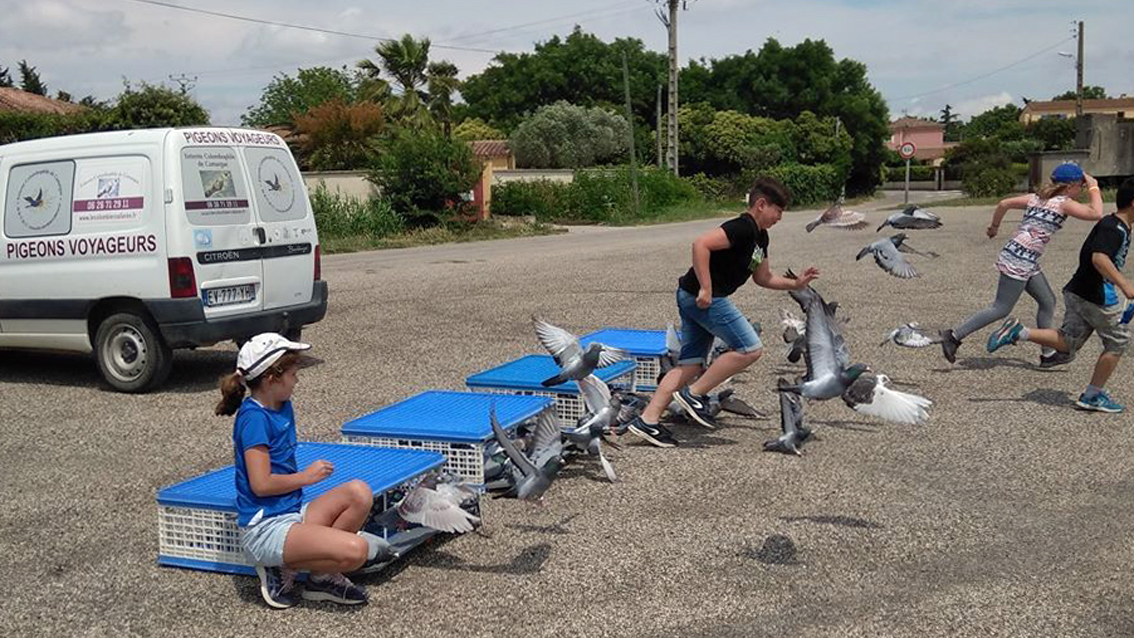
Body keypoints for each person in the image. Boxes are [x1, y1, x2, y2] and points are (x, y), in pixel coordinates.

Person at [622, 177, 820, 447]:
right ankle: (693, 395)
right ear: (761, 204)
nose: (780, 217)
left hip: (692, 297)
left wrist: (796, 284)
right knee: (750, 348)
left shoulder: (760, 237)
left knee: (690, 364)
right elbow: (701, 245)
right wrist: (706, 287)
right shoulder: (742, 227)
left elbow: (763, 277)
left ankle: (648, 420)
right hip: (705, 298)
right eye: (778, 210)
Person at [217, 333, 376, 609]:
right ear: (272, 379)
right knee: (357, 551)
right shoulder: (253, 419)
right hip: (265, 528)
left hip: (290, 513)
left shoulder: (282, 405)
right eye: (292, 374)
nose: (297, 381)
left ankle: (321, 577)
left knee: (359, 493)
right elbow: (261, 485)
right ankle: (277, 565)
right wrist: (307, 477)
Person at [986, 177, 1134, 413]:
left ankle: (1019, 332)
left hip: (1078, 292)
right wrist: (1125, 285)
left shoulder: (1119, 225)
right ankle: (1092, 395)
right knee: (1118, 341)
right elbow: (1099, 258)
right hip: (1095, 296)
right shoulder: (1113, 228)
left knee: (1069, 341)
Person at [940, 163, 1104, 366]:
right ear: (1070, 186)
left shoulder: (1037, 198)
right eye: (1081, 186)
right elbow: (1096, 213)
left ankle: (1048, 354)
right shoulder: (1063, 203)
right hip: (1019, 259)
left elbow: (1003, 204)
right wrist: (1094, 186)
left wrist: (994, 227)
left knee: (1047, 301)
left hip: (1024, 258)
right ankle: (954, 336)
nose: (1082, 190)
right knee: (1001, 308)